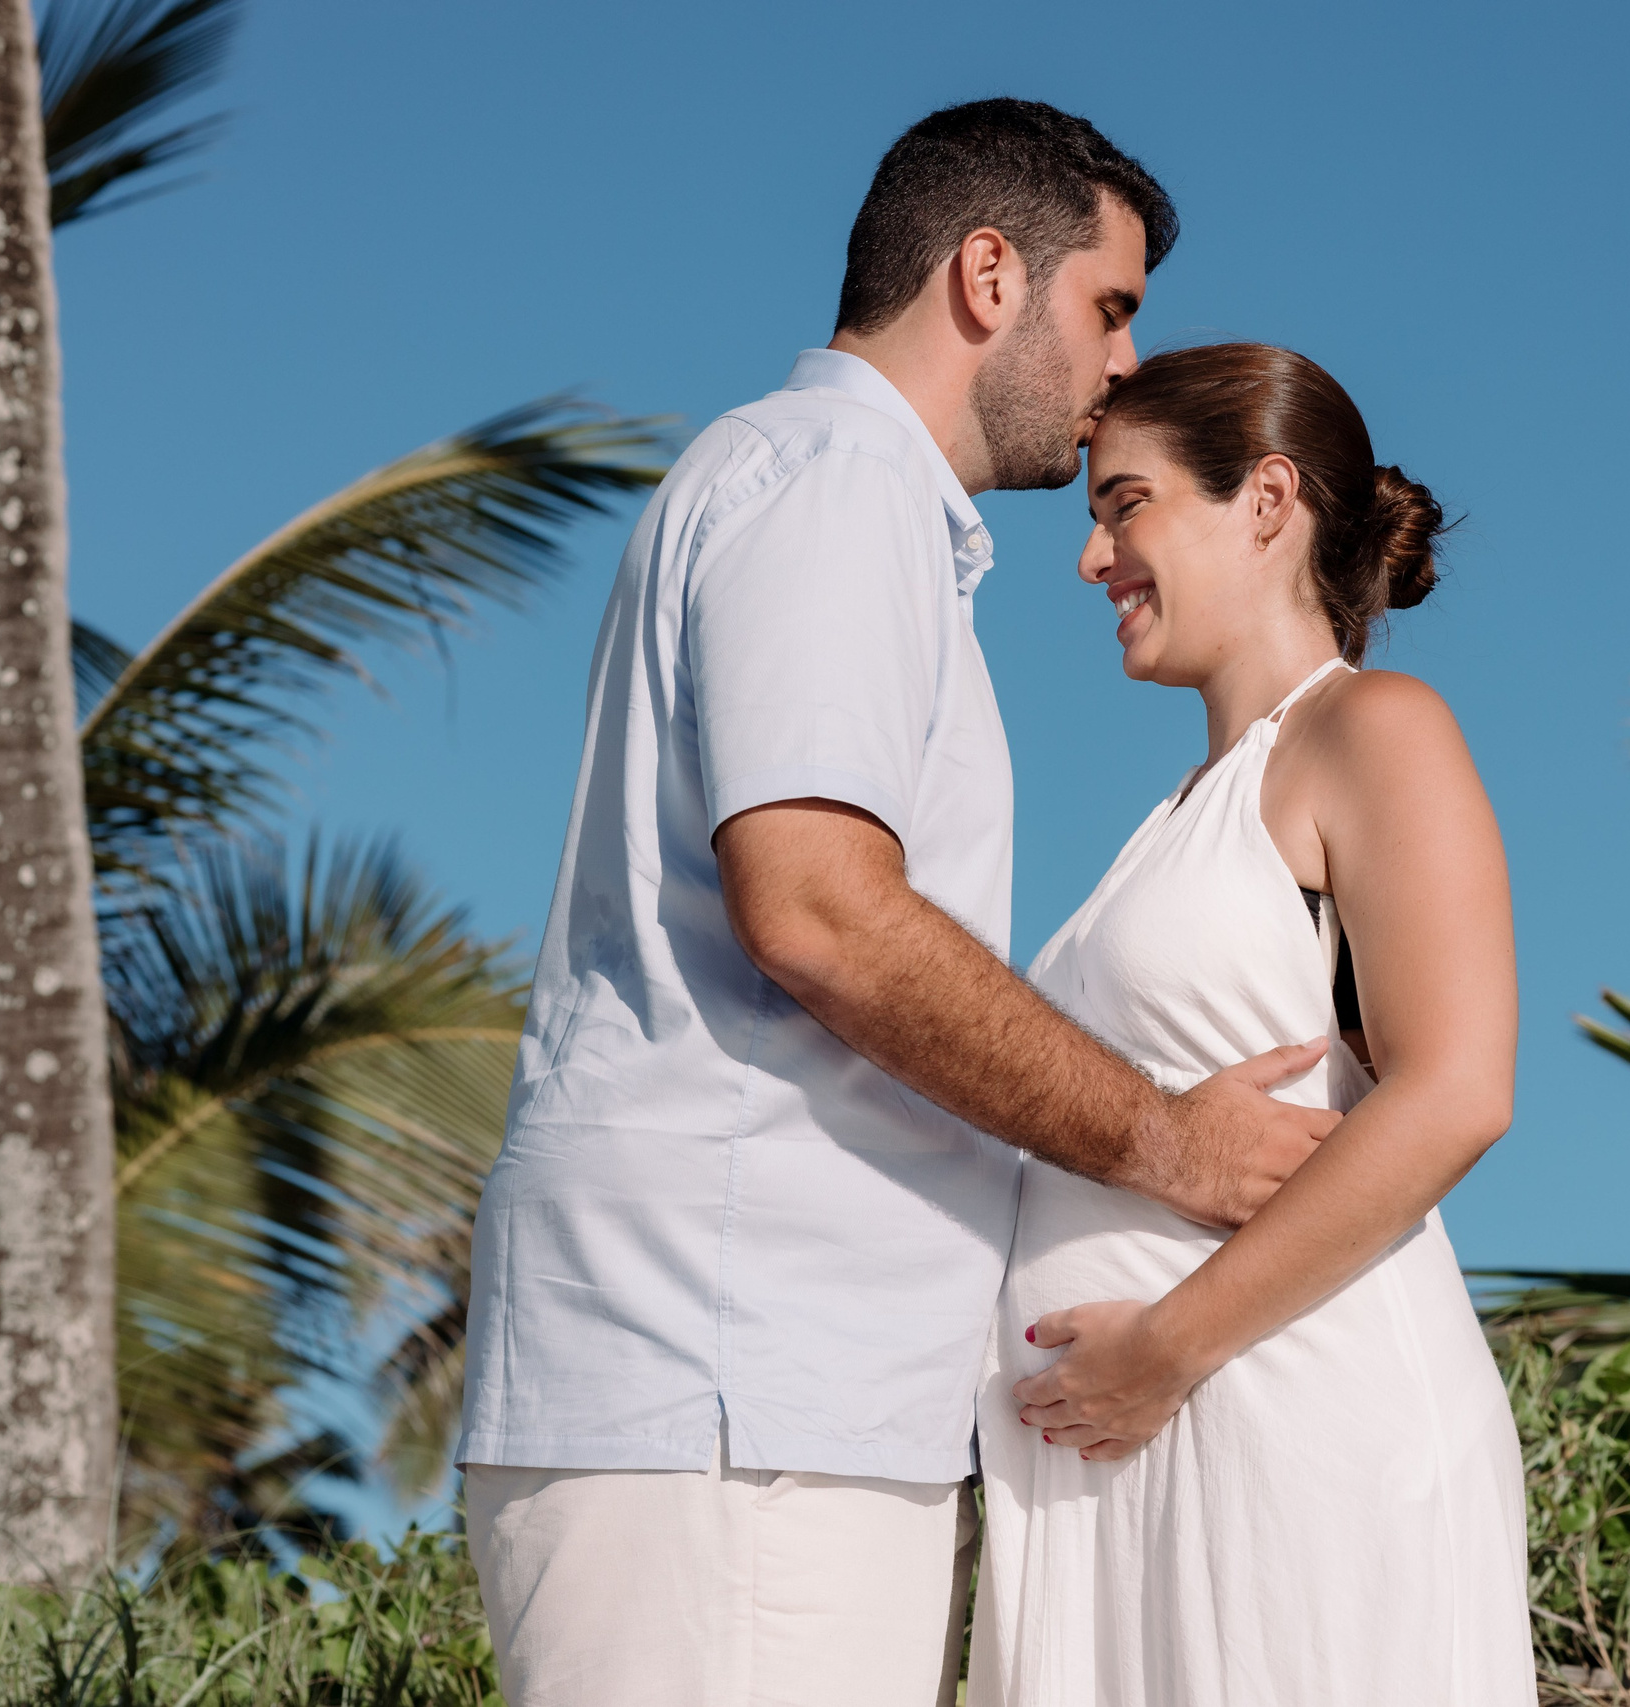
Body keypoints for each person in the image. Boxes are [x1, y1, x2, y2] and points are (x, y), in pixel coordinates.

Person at [455, 103, 1344, 1707]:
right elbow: (819, 911)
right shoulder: (834, 489)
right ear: (989, 276)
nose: (1124, 371)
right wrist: (1164, 1142)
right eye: (1111, 308)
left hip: (766, 1405)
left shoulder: (837, 501)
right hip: (731, 1402)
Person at [973, 343, 1533, 1707]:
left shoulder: (1372, 729)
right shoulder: (1175, 818)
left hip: (1293, 1435)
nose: (1094, 559)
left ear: (1267, 500)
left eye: (1126, 505)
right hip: (1138, 1465)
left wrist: (1164, 1352)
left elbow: (1457, 1087)